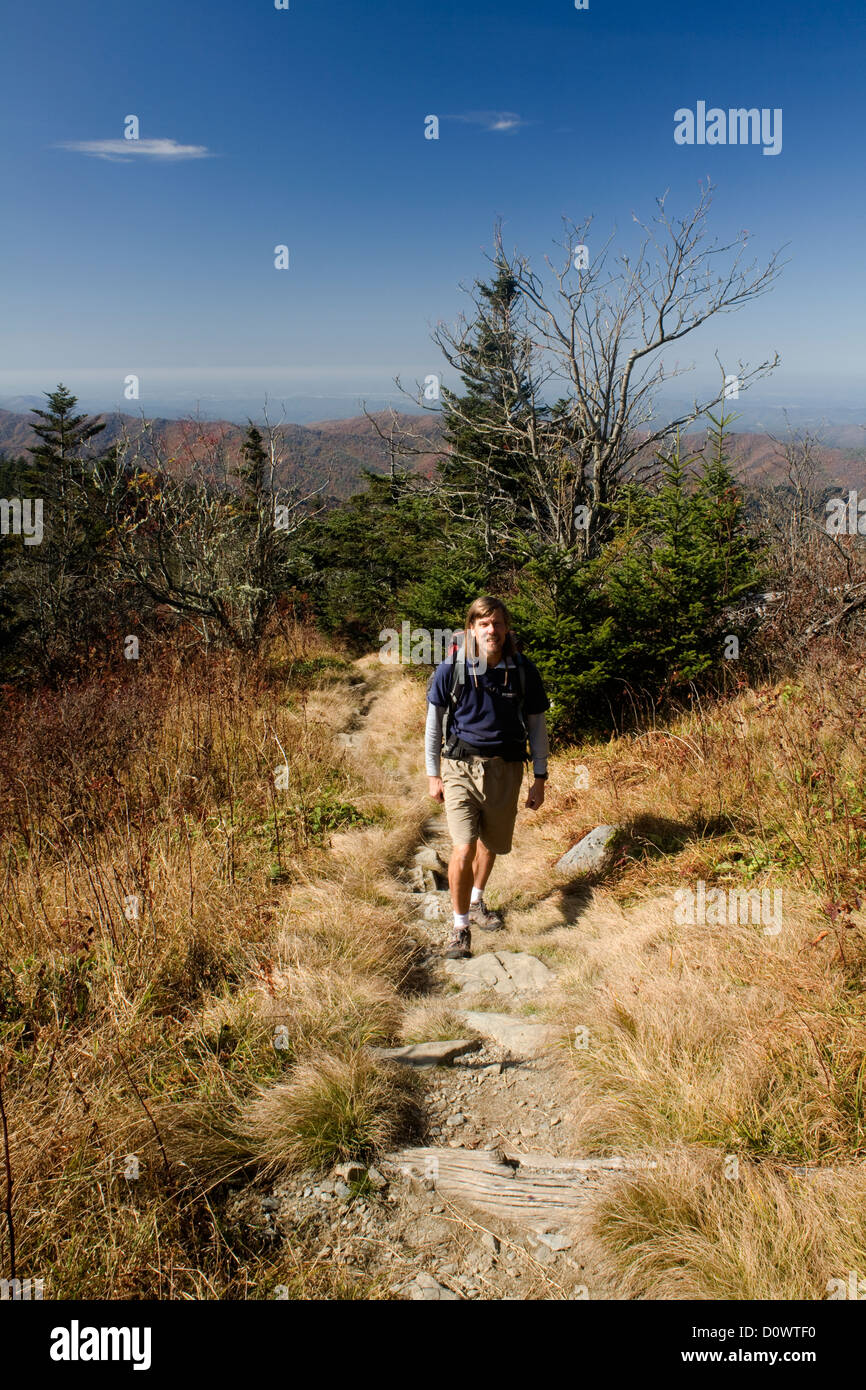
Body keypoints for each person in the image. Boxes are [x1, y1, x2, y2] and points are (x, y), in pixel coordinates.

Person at [425, 596, 550, 958]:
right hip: (459, 767)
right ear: (471, 629)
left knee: (491, 844)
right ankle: (459, 926)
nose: (491, 630)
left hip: (506, 769)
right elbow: (434, 725)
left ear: (506, 628)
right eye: (483, 623)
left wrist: (539, 777)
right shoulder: (454, 668)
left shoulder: (523, 670)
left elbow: (537, 726)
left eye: (496, 623)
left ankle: (477, 900)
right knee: (463, 847)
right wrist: (434, 774)